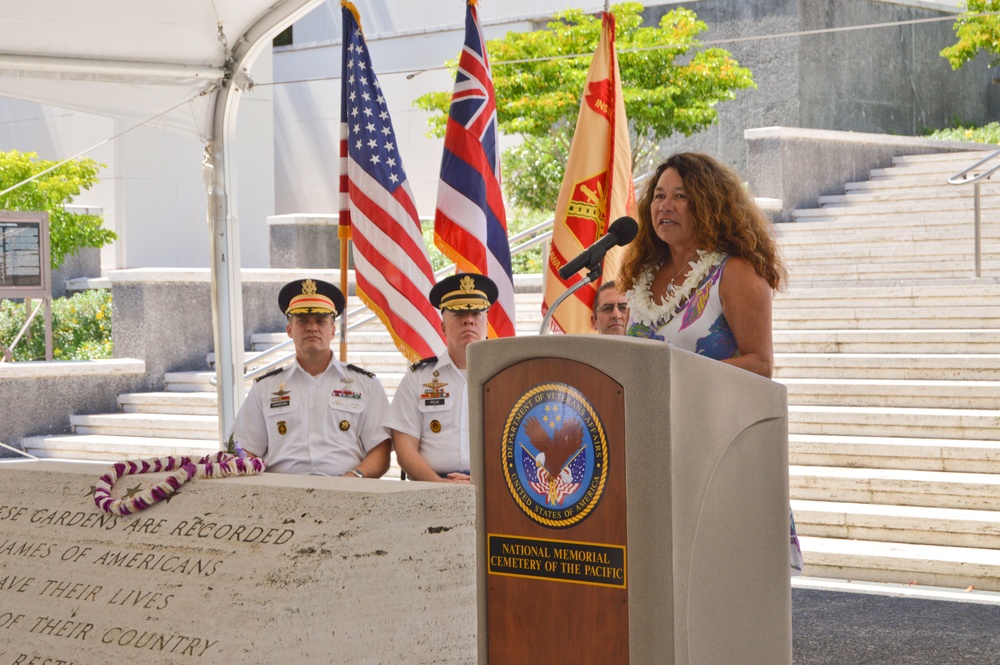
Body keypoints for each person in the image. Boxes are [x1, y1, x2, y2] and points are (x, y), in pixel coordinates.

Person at [618, 152, 802, 574]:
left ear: (708, 203)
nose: (664, 205)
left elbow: (760, 363)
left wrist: (677, 376)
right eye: (659, 195)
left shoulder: (734, 272)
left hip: (718, 451)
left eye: (680, 196)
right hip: (654, 453)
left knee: (718, 581)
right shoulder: (644, 277)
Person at [230, 278, 391, 478]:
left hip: (347, 491)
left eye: (321, 321)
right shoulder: (265, 387)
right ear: (289, 330)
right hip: (281, 493)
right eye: (303, 321)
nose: (312, 327)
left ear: (333, 330)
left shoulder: (366, 384)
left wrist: (352, 479)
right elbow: (244, 448)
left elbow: (381, 450)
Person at [384, 273, 498, 484]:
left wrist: (487, 481)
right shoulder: (418, 378)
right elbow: (404, 446)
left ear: (486, 323)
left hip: (495, 487)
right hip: (431, 486)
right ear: (443, 327)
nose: (468, 320)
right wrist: (439, 483)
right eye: (457, 313)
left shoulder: (506, 376)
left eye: (476, 312)